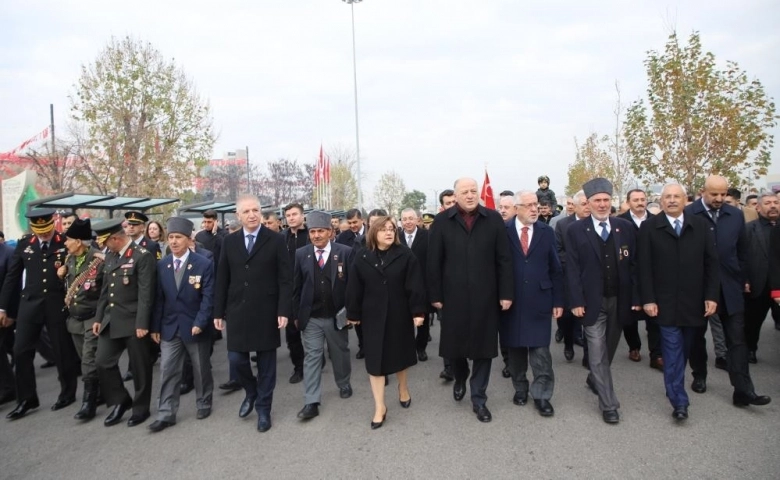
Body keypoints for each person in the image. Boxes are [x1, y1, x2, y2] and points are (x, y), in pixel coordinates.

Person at [428, 178, 513, 423]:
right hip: (452, 298)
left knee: (484, 349)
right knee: (455, 348)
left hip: (486, 296)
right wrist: (435, 295)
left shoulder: (493, 219)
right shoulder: (443, 221)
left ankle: (479, 399)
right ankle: (459, 376)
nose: (469, 195)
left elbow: (504, 259)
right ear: (455, 196)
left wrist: (506, 293)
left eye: (473, 191)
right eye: (464, 191)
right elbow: (433, 261)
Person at [686, 176, 771, 407]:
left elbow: (742, 251)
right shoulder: (689, 213)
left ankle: (743, 390)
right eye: (714, 194)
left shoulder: (734, 215)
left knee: (737, 340)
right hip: (698, 288)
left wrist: (742, 277)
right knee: (696, 337)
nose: (719, 199)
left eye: (723, 194)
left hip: (730, 287)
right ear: (703, 191)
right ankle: (699, 375)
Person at [638, 183, 720, 421]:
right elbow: (644, 267)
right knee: (672, 351)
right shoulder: (650, 227)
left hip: (694, 303)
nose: (672, 200)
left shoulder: (701, 226)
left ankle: (675, 385)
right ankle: (679, 401)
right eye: (667, 197)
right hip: (664, 304)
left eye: (677, 196)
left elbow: (711, 264)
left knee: (686, 349)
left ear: (686, 200)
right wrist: (648, 299)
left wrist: (711, 296)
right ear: (661, 201)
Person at [213, 194, 292, 433]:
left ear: (261, 212)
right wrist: (219, 310)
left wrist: (283, 309)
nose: (251, 215)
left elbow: (285, 279)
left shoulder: (276, 240)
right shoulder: (230, 241)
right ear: (238, 216)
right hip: (237, 310)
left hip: (266, 310)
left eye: (255, 210)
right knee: (237, 359)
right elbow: (222, 277)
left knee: (267, 363)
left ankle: (264, 408)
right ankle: (251, 391)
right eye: (246, 211)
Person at [565, 178, 639, 424]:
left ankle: (593, 379)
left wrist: (637, 298)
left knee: (609, 348)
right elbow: (572, 269)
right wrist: (575, 301)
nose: (602, 204)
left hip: (619, 299)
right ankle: (609, 404)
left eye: (606, 200)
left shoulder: (624, 227)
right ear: (588, 203)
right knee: (596, 352)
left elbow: (634, 265)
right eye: (597, 200)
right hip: (591, 301)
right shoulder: (575, 230)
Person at [346, 216, 426, 429]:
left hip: (399, 315)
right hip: (372, 317)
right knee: (375, 363)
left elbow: (415, 285)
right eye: (383, 229)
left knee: (399, 355)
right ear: (374, 232)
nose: (389, 233)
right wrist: (353, 313)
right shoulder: (362, 256)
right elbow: (354, 287)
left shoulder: (405, 255)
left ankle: (403, 388)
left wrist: (418, 312)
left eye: (391, 229)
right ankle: (379, 406)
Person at [0, 209, 81, 420]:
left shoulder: (65, 242)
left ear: (53, 224)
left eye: (47, 230)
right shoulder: (25, 244)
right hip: (30, 303)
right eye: (40, 231)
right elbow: (12, 277)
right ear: (33, 229)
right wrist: (3, 308)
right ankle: (26, 399)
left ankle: (67, 392)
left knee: (62, 350)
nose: (44, 235)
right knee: (20, 350)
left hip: (57, 303)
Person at [500, 191, 563, 417]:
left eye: (536, 204)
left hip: (540, 299)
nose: (534, 209)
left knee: (540, 351)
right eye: (528, 205)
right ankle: (520, 388)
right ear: (516, 208)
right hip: (511, 301)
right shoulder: (503, 231)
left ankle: (542, 395)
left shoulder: (546, 232)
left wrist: (558, 300)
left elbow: (556, 268)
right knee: (515, 348)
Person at [148, 217, 215, 432]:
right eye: (171, 238)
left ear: (189, 239)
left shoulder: (203, 263)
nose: (174, 242)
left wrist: (200, 322)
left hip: (195, 326)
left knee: (200, 368)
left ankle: (203, 402)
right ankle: (166, 413)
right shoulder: (162, 265)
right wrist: (156, 327)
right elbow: (158, 299)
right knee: (168, 370)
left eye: (178, 237)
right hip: (170, 327)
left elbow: (208, 297)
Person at [92, 218, 157, 427]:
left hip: (133, 320)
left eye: (105, 242)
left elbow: (147, 294)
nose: (103, 247)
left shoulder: (142, 256)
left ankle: (140, 408)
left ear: (115, 239)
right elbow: (105, 291)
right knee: (103, 361)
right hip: (112, 319)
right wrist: (99, 318)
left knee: (140, 368)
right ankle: (121, 400)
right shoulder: (111, 256)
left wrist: (142, 324)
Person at [292, 211, 354, 421]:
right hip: (311, 317)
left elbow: (353, 286)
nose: (316, 235)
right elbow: (296, 287)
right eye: (312, 232)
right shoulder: (301, 254)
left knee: (340, 353)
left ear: (330, 232)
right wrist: (296, 314)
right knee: (312, 357)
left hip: (337, 316)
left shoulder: (345, 252)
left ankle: (344, 382)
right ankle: (311, 401)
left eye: (321, 231)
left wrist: (351, 312)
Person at [57, 218, 106, 421]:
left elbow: (105, 291)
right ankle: (102, 391)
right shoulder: (69, 259)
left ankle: (89, 403)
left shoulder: (97, 260)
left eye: (68, 239)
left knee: (88, 360)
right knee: (85, 358)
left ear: (78, 241)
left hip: (91, 318)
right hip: (75, 319)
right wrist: (61, 274)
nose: (65, 243)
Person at [617, 189, 663, 369]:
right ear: (628, 202)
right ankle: (634, 346)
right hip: (628, 274)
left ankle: (656, 354)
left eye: (643, 199)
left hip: (652, 274)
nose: (640, 203)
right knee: (629, 316)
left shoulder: (656, 221)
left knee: (654, 316)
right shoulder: (620, 222)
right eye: (635, 200)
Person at [554, 190, 590, 363]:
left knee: (591, 317)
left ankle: (589, 356)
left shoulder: (598, 224)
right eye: (583, 204)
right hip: (569, 277)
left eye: (589, 203)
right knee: (568, 317)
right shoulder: (562, 225)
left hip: (591, 279)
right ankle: (568, 343)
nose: (587, 207)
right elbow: (558, 251)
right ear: (574, 207)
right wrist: (576, 265)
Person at [744, 193, 780, 362]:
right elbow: (742, 256)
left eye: (776, 202)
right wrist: (745, 279)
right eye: (767, 203)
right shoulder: (749, 229)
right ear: (758, 207)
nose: (773, 206)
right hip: (759, 282)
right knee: (753, 321)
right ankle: (750, 348)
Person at [399, 208, 434, 362]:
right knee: (403, 319)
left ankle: (421, 348)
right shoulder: (395, 237)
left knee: (423, 320)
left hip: (422, 285)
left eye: (411, 218)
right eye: (404, 219)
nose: (408, 222)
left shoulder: (427, 236)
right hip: (400, 286)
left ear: (418, 220)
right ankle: (406, 349)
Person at [283, 203, 308, 384]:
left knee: (311, 328)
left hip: (308, 288)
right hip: (288, 291)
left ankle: (315, 357)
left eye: (294, 214)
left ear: (302, 216)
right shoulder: (281, 238)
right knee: (292, 333)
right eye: (288, 215)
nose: (291, 218)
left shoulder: (311, 235)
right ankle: (299, 366)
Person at [0, 239, 16, 406]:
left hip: (4, 312)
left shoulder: (8, 254)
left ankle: (8, 388)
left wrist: (10, 312)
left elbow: (13, 285)